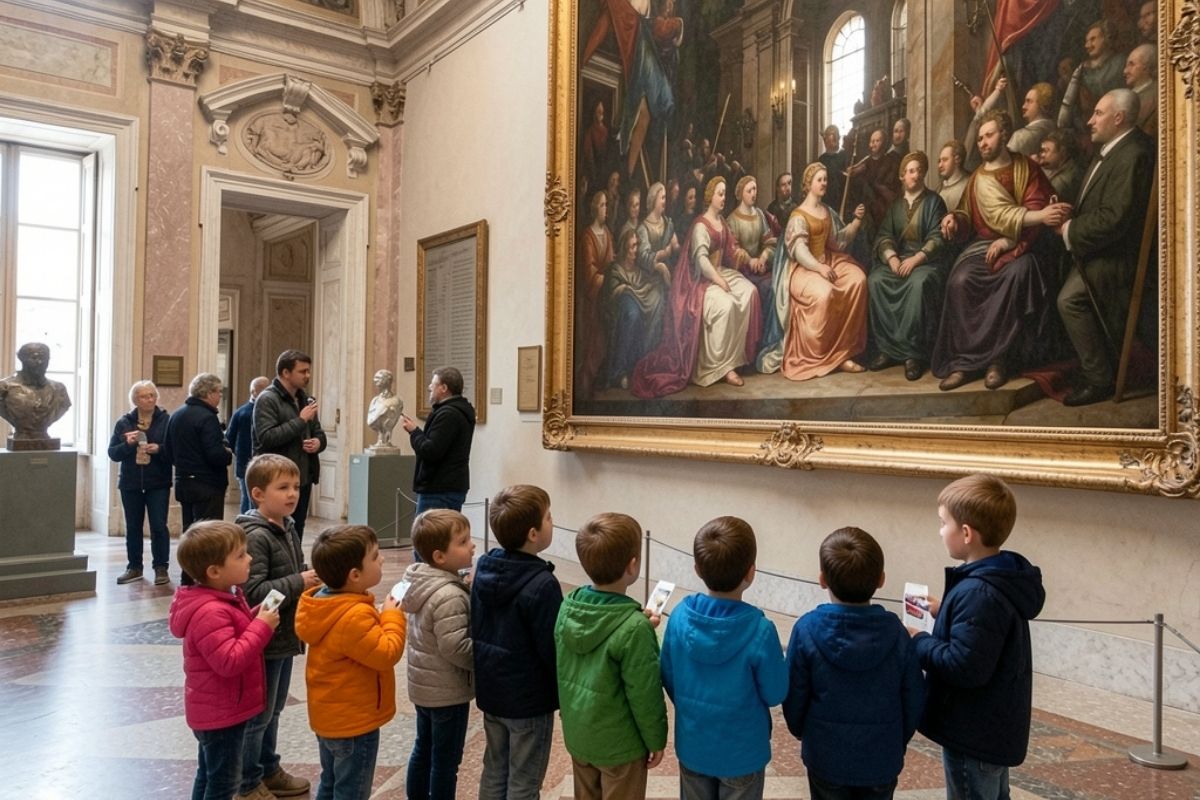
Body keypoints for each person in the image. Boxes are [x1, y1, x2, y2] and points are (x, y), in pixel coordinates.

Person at [910, 474, 1045, 800]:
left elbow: (964, 665)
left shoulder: (979, 592)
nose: (941, 530)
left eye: (944, 523)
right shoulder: (998, 577)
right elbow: (983, 633)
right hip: (992, 726)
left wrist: (918, 641)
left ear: (967, 533)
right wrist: (945, 611)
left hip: (973, 731)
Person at [931, 110, 1071, 391]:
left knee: (1020, 273)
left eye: (989, 135)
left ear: (1004, 135)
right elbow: (967, 216)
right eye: (980, 137)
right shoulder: (977, 179)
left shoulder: (1026, 169)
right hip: (981, 247)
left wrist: (1008, 242)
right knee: (960, 281)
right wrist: (953, 220)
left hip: (1022, 244)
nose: (982, 142)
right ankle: (965, 363)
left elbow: (1039, 214)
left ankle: (1000, 360)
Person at [784, 527, 925, 800]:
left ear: (822, 579)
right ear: (882, 579)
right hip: (882, 756)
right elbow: (913, 696)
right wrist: (898, 739)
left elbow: (794, 695)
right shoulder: (897, 632)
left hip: (826, 755)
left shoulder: (806, 629)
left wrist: (803, 731)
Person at [660, 516, 788, 800]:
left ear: (697, 569)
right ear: (750, 573)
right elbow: (776, 692)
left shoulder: (679, 617)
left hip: (693, 743)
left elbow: (669, 676)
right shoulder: (760, 630)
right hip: (743, 752)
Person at [555, 512, 667, 800]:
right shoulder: (634, 628)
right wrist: (656, 739)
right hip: (620, 746)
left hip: (579, 735)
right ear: (632, 565)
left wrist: (638, 623)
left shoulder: (568, 607)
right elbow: (644, 693)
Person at [1055, 89, 1155, 406]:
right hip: (1100, 247)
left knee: (1069, 300)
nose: (1089, 120)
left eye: (1098, 113)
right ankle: (1094, 368)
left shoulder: (1135, 153)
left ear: (1118, 118)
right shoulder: (1115, 149)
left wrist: (1069, 228)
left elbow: (1116, 219)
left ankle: (1099, 380)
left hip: (1120, 258)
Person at [168, 521, 279, 800]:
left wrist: (255, 617)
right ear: (214, 571)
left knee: (208, 775)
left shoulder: (225, 596)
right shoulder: (210, 611)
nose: (249, 558)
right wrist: (261, 627)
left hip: (221, 710)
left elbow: (232, 635)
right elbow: (229, 661)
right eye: (240, 555)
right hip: (221, 714)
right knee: (223, 784)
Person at [295, 525, 406, 800]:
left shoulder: (325, 604)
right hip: (355, 724)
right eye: (375, 556)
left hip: (329, 719)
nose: (381, 560)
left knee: (331, 783)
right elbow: (387, 653)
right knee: (351, 791)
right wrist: (392, 616)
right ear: (355, 575)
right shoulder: (353, 616)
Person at [237, 454, 321, 800]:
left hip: (284, 636)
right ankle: (247, 780)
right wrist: (298, 582)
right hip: (264, 637)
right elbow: (254, 593)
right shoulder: (255, 536)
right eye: (282, 487)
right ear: (257, 494)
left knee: (274, 709)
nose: (292, 494)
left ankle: (268, 768)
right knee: (258, 713)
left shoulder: (285, 526)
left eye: (296, 487)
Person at [472, 485, 563, 800]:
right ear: (533, 534)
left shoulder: (484, 566)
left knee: (495, 770)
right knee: (524, 781)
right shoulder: (543, 584)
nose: (554, 521)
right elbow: (552, 649)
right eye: (549, 517)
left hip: (492, 690)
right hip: (528, 700)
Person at [631, 177, 761, 396]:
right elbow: (701, 261)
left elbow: (732, 251)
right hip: (700, 280)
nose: (723, 198)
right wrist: (719, 281)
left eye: (725, 193)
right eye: (720, 194)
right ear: (710, 197)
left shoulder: (722, 223)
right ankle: (720, 366)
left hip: (718, 272)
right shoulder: (701, 224)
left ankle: (736, 358)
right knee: (726, 306)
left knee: (751, 292)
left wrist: (746, 259)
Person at [757, 162, 868, 380]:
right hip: (803, 269)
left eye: (825, 179)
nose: (824, 183)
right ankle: (821, 356)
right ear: (808, 184)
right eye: (820, 179)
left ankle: (843, 351)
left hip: (827, 260)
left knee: (859, 280)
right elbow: (799, 251)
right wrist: (820, 268)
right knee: (825, 293)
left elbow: (839, 241)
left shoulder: (826, 211)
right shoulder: (798, 215)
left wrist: (856, 220)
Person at [401, 509, 476, 800]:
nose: (472, 545)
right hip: (448, 692)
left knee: (423, 749)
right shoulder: (449, 596)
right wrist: (482, 658)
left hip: (423, 686)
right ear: (440, 556)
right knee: (445, 762)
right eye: (463, 541)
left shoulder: (418, 580)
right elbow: (455, 647)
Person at [867, 151, 950, 381]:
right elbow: (884, 235)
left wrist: (916, 259)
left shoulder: (935, 201)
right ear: (902, 177)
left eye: (919, 170)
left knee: (918, 284)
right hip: (900, 260)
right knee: (875, 280)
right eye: (911, 171)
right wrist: (892, 257)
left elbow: (937, 237)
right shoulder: (895, 206)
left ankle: (913, 355)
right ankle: (887, 349)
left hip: (926, 262)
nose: (917, 175)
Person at [252, 349, 326, 539]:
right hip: (275, 478)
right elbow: (267, 437)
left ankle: (295, 564)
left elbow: (318, 432)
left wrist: (318, 443)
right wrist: (300, 421)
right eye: (303, 371)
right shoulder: (267, 399)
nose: (307, 376)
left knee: (296, 527)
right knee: (274, 529)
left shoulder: (305, 399)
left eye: (308, 371)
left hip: (301, 475)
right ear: (285, 373)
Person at [109, 380, 172, 585]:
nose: (150, 399)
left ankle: (161, 567)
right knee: (133, 526)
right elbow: (113, 453)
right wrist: (128, 444)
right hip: (131, 482)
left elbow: (175, 451)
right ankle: (134, 567)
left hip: (158, 481)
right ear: (135, 400)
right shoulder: (124, 422)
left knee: (158, 526)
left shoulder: (165, 421)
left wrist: (159, 449)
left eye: (152, 395)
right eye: (145, 396)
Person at [400, 366, 477, 515]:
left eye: (433, 384)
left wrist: (414, 432)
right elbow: (438, 444)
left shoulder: (448, 414)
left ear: (444, 388)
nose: (429, 387)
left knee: (430, 536)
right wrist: (417, 432)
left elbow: (430, 451)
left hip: (439, 489)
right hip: (448, 485)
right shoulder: (456, 410)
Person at [166, 373, 232, 531]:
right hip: (207, 485)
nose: (220, 396)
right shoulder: (207, 417)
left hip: (183, 482)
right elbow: (215, 455)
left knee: (190, 534)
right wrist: (228, 453)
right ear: (209, 394)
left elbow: (168, 451)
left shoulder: (176, 414)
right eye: (219, 392)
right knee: (208, 535)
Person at [604, 229, 668, 390]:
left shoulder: (639, 270)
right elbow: (610, 294)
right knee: (633, 315)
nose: (635, 250)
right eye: (632, 246)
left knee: (649, 304)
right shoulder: (616, 269)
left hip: (633, 304)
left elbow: (646, 285)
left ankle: (635, 368)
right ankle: (619, 372)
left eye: (637, 246)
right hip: (621, 307)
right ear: (625, 247)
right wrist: (625, 288)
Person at [1058, 20, 1127, 142]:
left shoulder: (1121, 63)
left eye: (1093, 39)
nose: (1087, 45)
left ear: (1106, 38)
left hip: (1119, 125)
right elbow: (1073, 107)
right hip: (1091, 130)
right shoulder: (1082, 71)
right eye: (1086, 41)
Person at [575, 191, 615, 399]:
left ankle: (600, 380)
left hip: (603, 297)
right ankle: (585, 384)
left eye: (607, 205)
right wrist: (604, 279)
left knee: (604, 339)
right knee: (592, 340)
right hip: (592, 298)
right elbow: (588, 269)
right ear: (594, 209)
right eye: (602, 205)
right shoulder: (587, 236)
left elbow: (612, 261)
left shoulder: (607, 233)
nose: (605, 209)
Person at [0, 342, 71, 448]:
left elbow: (64, 405)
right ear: (22, 359)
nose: (40, 362)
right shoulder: (4, 388)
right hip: (20, 439)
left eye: (45, 358)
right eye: (34, 358)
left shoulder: (59, 390)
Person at [727, 175, 778, 317]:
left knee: (776, 284)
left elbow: (769, 242)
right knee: (763, 288)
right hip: (743, 271)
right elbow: (733, 250)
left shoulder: (760, 214)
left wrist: (763, 257)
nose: (753, 193)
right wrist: (750, 261)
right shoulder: (732, 219)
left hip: (761, 268)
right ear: (741, 194)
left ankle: (769, 332)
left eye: (754, 189)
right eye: (749, 191)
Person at [226, 376, 270, 514]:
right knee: (249, 499)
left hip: (265, 463)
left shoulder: (269, 411)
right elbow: (229, 439)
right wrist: (239, 454)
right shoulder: (242, 413)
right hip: (245, 463)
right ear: (253, 391)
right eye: (263, 390)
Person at [847, 128, 900, 228]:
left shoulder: (890, 162)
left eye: (877, 141)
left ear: (884, 143)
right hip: (867, 210)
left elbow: (890, 190)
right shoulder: (866, 163)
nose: (873, 144)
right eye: (872, 141)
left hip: (883, 208)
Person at [1039, 130, 1084, 206]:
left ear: (1063, 152)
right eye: (1042, 151)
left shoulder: (1059, 183)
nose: (1042, 155)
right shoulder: (1074, 168)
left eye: (1046, 151)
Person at [1124, 44, 1157, 136]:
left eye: (1131, 64)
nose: (1125, 71)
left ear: (1146, 67)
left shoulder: (1155, 95)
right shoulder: (1132, 94)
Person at [367, 368, 402, 450]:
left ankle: (385, 441)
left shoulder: (397, 402)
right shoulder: (374, 401)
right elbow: (370, 421)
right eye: (375, 378)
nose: (375, 380)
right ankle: (380, 439)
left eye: (379, 378)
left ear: (388, 380)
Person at [817, 125, 849, 212]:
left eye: (832, 140)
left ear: (837, 139)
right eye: (827, 141)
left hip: (841, 196)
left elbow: (848, 175)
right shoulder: (821, 159)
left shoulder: (844, 155)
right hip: (826, 197)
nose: (828, 143)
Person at [937, 140, 969, 214]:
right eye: (939, 161)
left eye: (945, 160)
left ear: (957, 160)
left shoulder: (970, 184)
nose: (940, 165)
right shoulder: (940, 188)